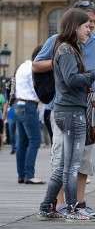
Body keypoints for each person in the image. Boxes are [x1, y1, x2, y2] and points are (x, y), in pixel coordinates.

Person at [34, 0, 95, 217]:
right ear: (75, 25)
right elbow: (71, 79)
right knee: (69, 163)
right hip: (71, 109)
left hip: (78, 108)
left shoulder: (83, 45)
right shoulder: (66, 48)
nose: (91, 28)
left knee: (69, 164)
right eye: (87, 24)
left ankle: (48, 207)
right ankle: (71, 208)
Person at [11, 46, 45, 184]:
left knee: (22, 142)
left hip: (18, 105)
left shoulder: (22, 66)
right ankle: (29, 175)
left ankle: (21, 175)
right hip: (29, 106)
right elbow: (36, 88)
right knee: (35, 140)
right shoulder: (33, 69)